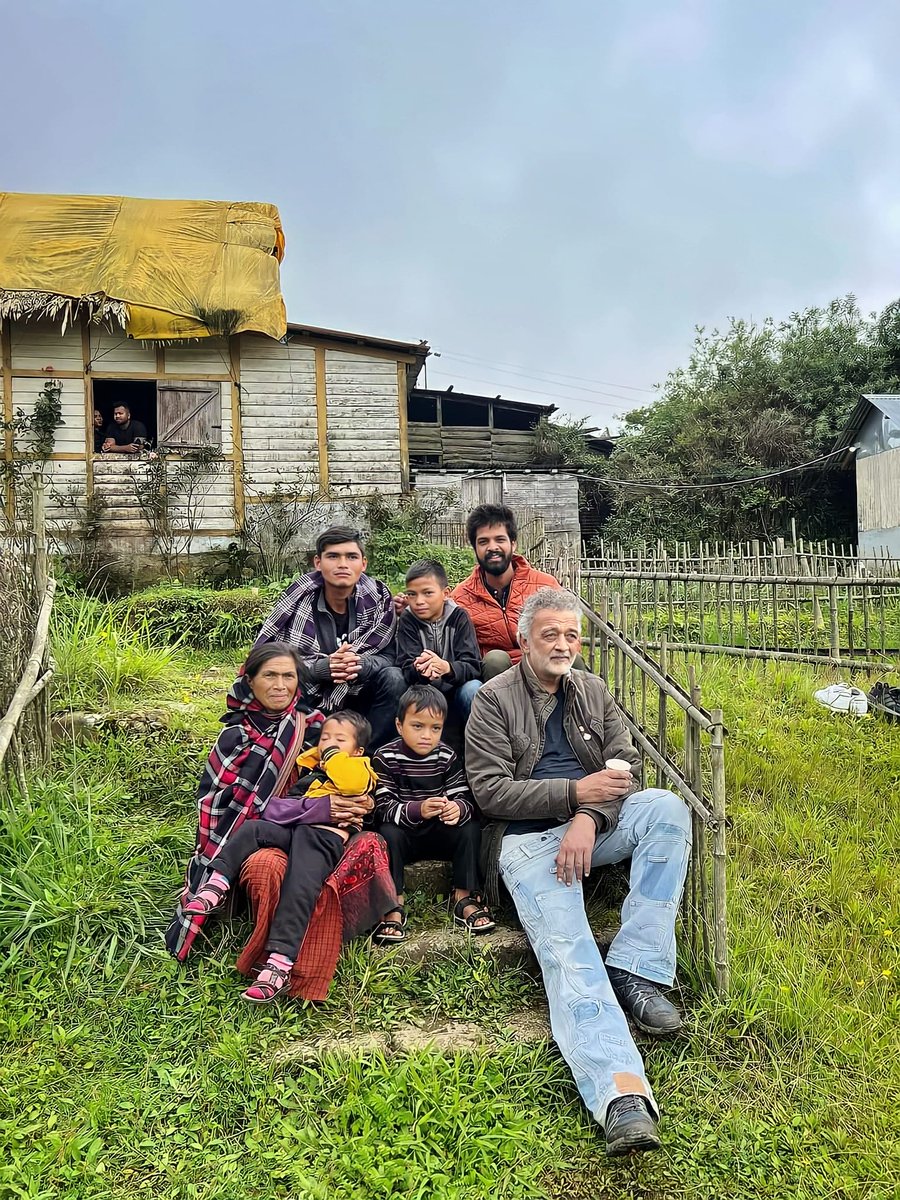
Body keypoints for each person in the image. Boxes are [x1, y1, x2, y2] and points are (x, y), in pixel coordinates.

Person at [465, 588, 692, 1157]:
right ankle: (619, 1092)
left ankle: (639, 968)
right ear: (523, 640)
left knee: (665, 808)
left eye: (572, 635)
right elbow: (490, 794)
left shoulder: (591, 689)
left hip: (590, 827)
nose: (564, 644)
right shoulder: (492, 700)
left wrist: (587, 815)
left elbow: (627, 766)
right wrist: (572, 792)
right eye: (551, 634)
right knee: (571, 948)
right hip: (526, 842)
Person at [183, 709, 377, 1002]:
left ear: (358, 750)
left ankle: (279, 965)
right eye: (325, 738)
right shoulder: (310, 774)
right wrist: (315, 775)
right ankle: (216, 885)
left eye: (340, 739)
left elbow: (350, 784)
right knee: (253, 829)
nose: (329, 744)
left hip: (321, 837)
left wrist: (333, 756)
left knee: (299, 886)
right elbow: (274, 810)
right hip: (295, 830)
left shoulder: (362, 770)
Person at [251, 526, 406, 749]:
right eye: (333, 556)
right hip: (311, 697)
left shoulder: (378, 598)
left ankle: (368, 755)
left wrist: (360, 664)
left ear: (363, 564)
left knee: (394, 678)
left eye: (351, 557)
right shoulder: (297, 601)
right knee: (280, 679)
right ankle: (302, 748)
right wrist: (323, 668)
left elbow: (390, 655)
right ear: (318, 562)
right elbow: (272, 660)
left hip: (360, 694)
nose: (342, 564)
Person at [372, 685, 495, 943]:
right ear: (399, 725)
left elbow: (465, 797)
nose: (427, 736)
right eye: (418, 726)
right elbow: (382, 807)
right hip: (405, 834)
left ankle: (464, 896)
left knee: (470, 827)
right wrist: (419, 809)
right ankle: (394, 903)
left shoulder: (447, 757)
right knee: (386, 833)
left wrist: (456, 809)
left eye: (435, 728)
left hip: (439, 832)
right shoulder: (386, 757)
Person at [451, 504, 561, 679]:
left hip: (542, 668)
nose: (492, 547)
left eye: (500, 540)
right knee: (495, 659)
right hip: (496, 680)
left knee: (574, 660)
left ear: (513, 543)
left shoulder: (545, 585)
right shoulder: (461, 597)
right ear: (475, 548)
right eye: (483, 541)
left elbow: (566, 631)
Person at [394, 557, 483, 723]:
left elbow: (473, 665)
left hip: (457, 688)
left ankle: (480, 743)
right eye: (412, 594)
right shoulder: (408, 619)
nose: (419, 601)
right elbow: (405, 665)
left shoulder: (459, 617)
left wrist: (447, 668)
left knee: (474, 689)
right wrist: (422, 668)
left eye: (428, 593)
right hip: (422, 689)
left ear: (445, 593)